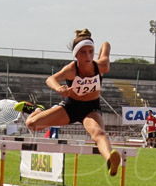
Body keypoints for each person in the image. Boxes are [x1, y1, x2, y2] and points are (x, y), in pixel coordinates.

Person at [16, 28, 122, 176]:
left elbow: (106, 45)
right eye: (83, 52)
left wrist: (103, 45)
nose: (88, 55)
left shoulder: (101, 66)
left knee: (99, 133)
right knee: (32, 125)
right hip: (70, 107)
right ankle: (37, 110)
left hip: (91, 109)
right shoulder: (71, 69)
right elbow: (50, 79)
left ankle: (110, 160)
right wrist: (59, 88)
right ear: (76, 55)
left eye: (91, 51)